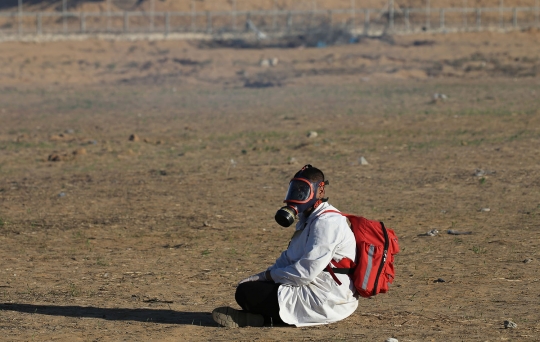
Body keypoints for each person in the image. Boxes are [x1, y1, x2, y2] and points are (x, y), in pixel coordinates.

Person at [212, 165, 358, 327]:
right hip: (313, 285)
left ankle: (264, 320)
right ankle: (262, 318)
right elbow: (289, 258)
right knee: (248, 288)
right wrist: (260, 276)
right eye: (295, 190)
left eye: (303, 191)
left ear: (320, 191)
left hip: (329, 298)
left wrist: (268, 277)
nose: (297, 196)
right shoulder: (308, 219)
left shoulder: (328, 222)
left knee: (247, 293)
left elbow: (305, 273)